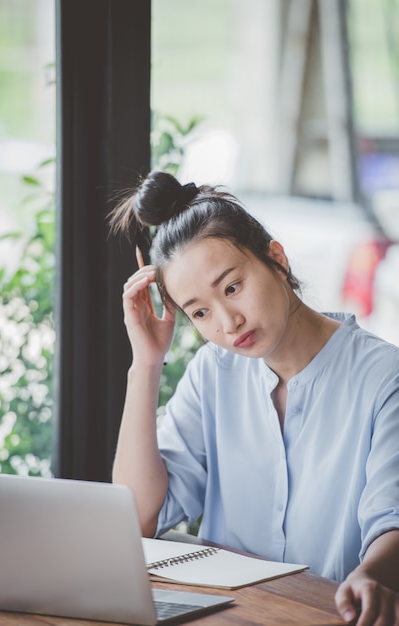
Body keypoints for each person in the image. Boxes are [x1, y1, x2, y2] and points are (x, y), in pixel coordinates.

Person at [109, 170, 399, 626]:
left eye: (232, 287)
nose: (228, 322)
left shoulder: (384, 377)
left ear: (276, 260)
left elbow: (392, 520)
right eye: (200, 312)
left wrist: (370, 577)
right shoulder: (212, 373)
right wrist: (145, 365)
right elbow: (138, 519)